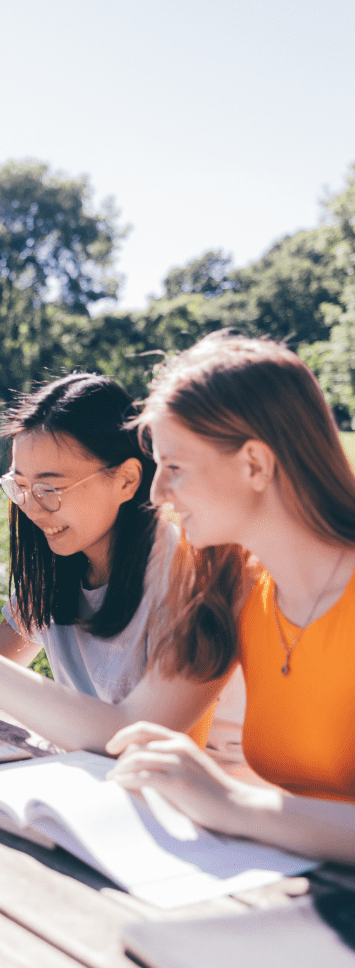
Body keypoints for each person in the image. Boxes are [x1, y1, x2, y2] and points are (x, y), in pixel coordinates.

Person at [0, 372, 238, 747]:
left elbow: (137, 736)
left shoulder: (191, 577)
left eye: (50, 488)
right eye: (20, 487)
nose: (32, 509)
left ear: (127, 480)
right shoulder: (57, 570)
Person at [103, 332, 355, 863]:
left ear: (255, 465)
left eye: (175, 468)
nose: (156, 495)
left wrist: (234, 802)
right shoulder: (247, 597)